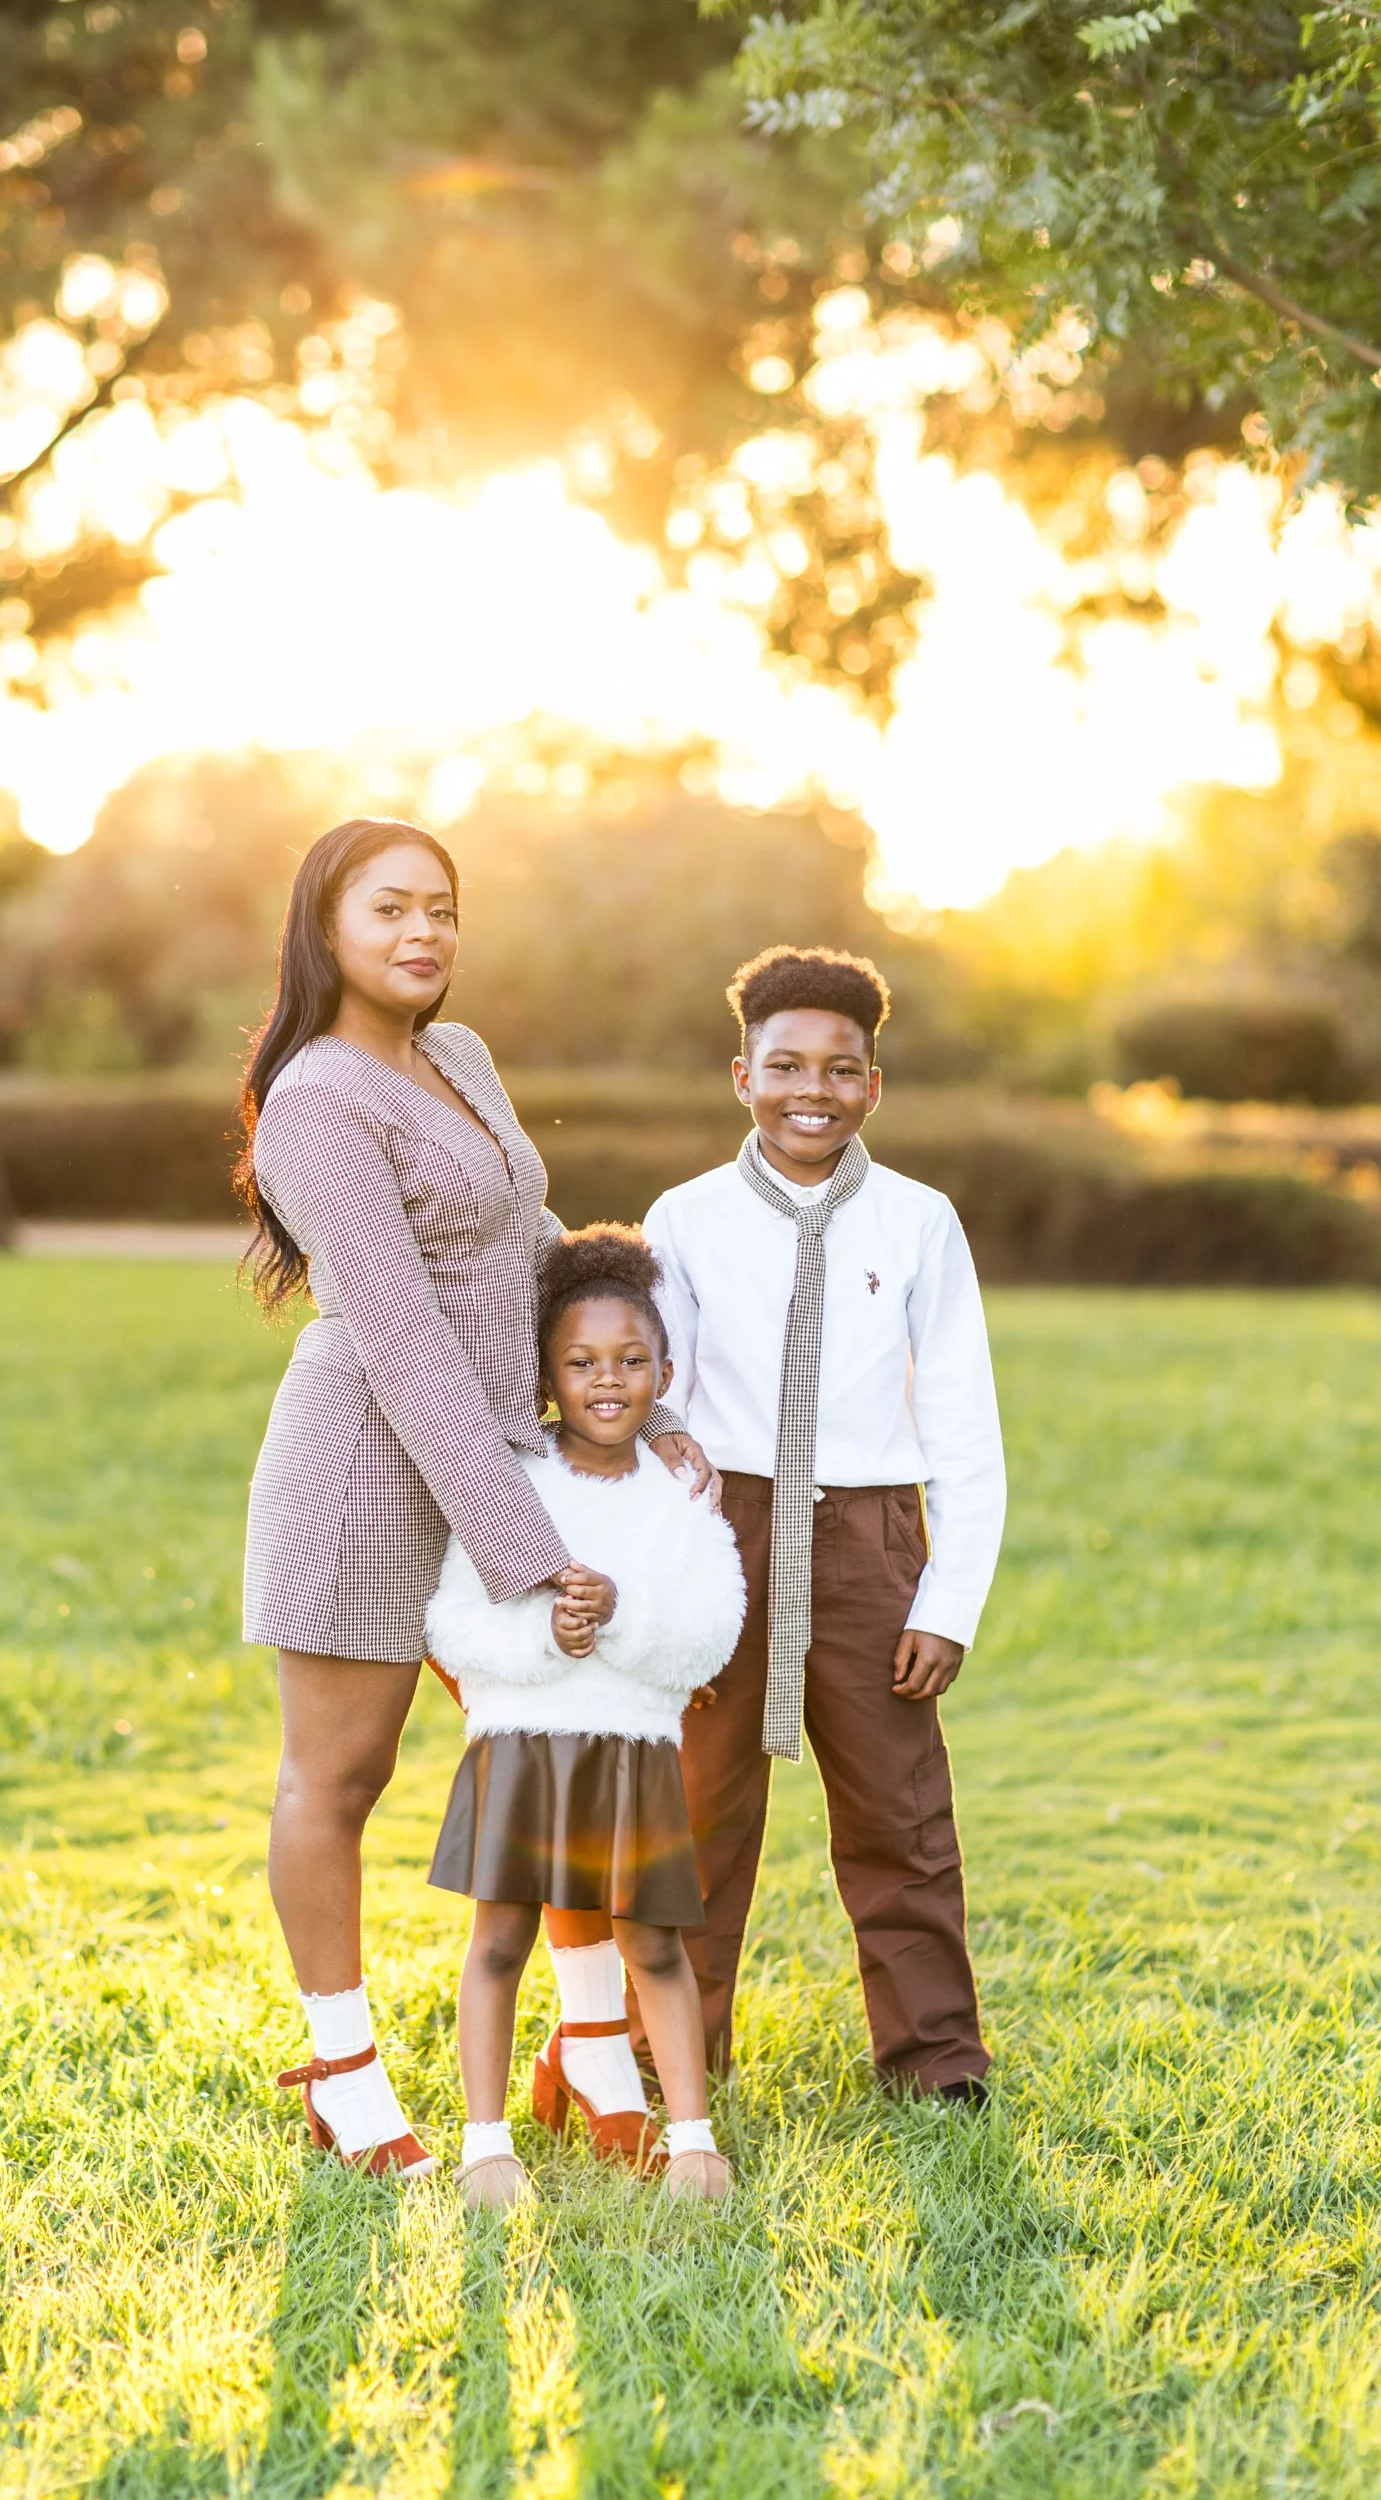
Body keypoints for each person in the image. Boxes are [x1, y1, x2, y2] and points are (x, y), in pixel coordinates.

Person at [236, 817, 715, 2177]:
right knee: (341, 1774)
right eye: (389, 908)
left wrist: (636, 1400)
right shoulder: (318, 1100)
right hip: (364, 1472)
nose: (423, 933)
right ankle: (342, 2073)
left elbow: (541, 1253)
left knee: (563, 1751)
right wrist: (526, 1544)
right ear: (324, 925)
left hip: (505, 1456)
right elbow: (397, 1335)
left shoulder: (458, 1058)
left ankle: (590, 2045)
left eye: (440, 909)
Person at [641, 945, 1007, 2101]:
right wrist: (660, 1592)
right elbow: (657, 1411)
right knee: (695, 1812)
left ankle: (934, 2062)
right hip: (723, 1533)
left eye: (840, 1069)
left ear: (872, 1085)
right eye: (785, 1063)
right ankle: (670, 2055)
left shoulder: (918, 1221)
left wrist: (944, 1603)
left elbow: (961, 1426)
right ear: (738, 1074)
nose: (813, 1088)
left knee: (900, 1819)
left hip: (868, 1544)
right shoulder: (685, 1217)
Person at [424, 1227, 746, 2210]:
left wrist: (618, 1620)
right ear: (547, 1375)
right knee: (496, 1944)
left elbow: (710, 1626)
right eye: (580, 1362)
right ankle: (486, 2146)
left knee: (651, 1944)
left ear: (664, 1371)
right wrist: (546, 1637)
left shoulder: (679, 1491)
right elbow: (452, 1617)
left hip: (630, 1753)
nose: (606, 1381)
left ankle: (691, 2139)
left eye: (630, 1361)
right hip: (519, 1747)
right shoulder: (514, 1481)